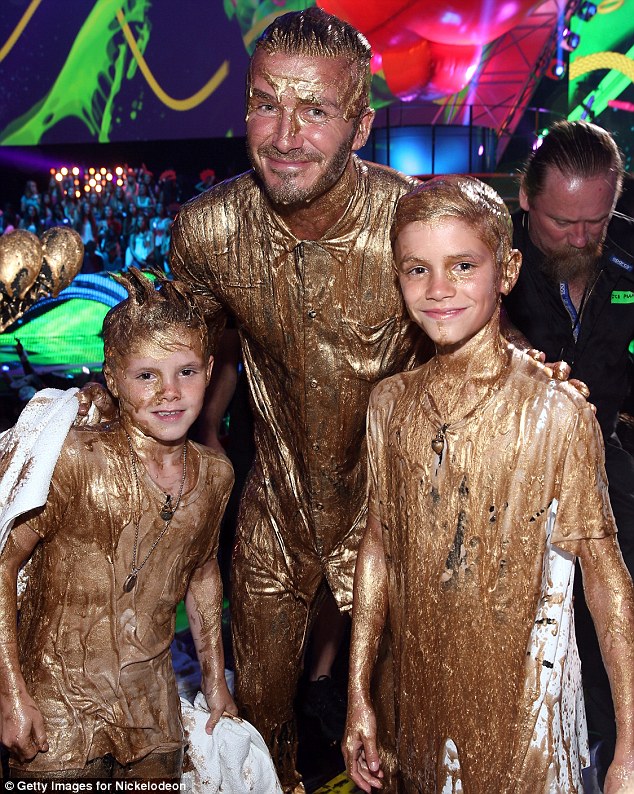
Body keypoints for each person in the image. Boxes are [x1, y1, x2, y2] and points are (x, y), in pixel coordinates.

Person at [169, 8, 426, 791]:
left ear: (360, 124)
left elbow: (486, 342)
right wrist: (96, 403)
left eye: (315, 110)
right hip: (275, 516)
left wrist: (536, 379)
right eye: (264, 103)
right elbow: (171, 354)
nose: (283, 134)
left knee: (407, 731)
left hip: (395, 519)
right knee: (258, 727)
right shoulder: (210, 230)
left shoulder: (413, 223)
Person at [343, 175, 634, 794]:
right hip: (417, 702)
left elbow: (606, 579)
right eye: (416, 269)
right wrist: (358, 695)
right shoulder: (389, 404)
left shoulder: (557, 412)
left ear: (507, 271)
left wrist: (629, 745)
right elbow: (377, 546)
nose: (438, 290)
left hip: (523, 713)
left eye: (463, 265)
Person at [0, 269, 237, 779]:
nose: (169, 393)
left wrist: (216, 683)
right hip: (57, 704)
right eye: (146, 375)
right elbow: (2, 566)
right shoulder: (75, 460)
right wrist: (10, 693)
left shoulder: (216, 475)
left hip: (153, 705)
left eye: (187, 372)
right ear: (112, 378)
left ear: (211, 370)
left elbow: (201, 573)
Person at [503, 120, 634, 779]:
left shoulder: (629, 258)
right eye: (563, 222)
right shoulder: (485, 261)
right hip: (506, 485)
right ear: (526, 199)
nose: (582, 238)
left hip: (602, 472)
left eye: (597, 221)